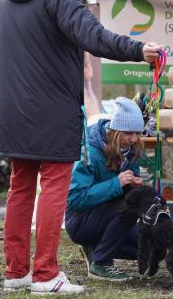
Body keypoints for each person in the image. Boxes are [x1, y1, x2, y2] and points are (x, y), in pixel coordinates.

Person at [0, 0, 161, 294]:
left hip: (15, 113)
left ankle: (16, 272)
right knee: (54, 188)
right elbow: (93, 36)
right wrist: (137, 49)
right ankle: (45, 275)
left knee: (20, 190)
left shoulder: (5, 2)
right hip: (52, 113)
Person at [65, 97, 144, 282]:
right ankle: (101, 263)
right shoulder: (90, 151)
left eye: (137, 133)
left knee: (148, 248)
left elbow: (128, 188)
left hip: (111, 217)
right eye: (128, 133)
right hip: (81, 220)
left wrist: (134, 185)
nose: (133, 139)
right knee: (127, 208)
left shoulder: (130, 150)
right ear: (114, 130)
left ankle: (94, 247)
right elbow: (75, 198)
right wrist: (116, 184)